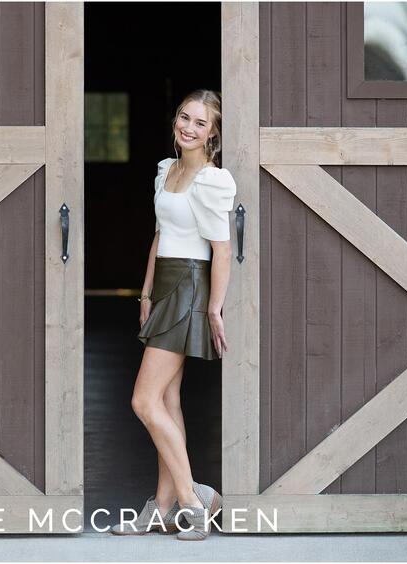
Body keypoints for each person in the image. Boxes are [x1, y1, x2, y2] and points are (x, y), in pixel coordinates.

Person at [111, 89, 235, 541]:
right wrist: (144, 295)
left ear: (213, 132)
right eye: (185, 117)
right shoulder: (168, 170)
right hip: (164, 287)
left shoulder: (212, 180)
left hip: (190, 289)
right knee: (166, 402)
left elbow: (222, 249)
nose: (189, 127)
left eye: (201, 123)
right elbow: (160, 236)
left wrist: (214, 309)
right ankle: (163, 507)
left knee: (143, 401)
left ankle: (194, 500)